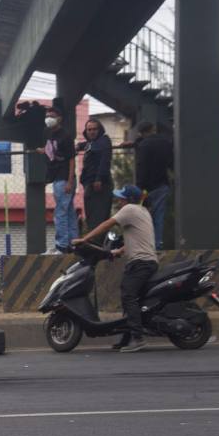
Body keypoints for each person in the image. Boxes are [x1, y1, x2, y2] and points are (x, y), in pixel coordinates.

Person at [73, 184, 158, 353]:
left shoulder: (130, 210)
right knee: (132, 299)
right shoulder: (143, 212)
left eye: (121, 198)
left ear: (128, 200)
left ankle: (138, 338)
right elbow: (139, 238)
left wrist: (85, 239)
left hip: (140, 263)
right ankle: (127, 338)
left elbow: (106, 225)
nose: (118, 200)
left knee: (128, 295)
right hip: (147, 261)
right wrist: (119, 251)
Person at [38, 107, 77, 254]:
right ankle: (74, 243)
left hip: (64, 178)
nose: (48, 118)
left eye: (52, 116)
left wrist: (69, 180)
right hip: (58, 177)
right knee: (69, 212)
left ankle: (62, 245)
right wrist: (43, 150)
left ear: (59, 118)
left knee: (60, 212)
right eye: (47, 116)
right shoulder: (50, 134)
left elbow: (72, 158)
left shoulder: (65, 136)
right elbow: (53, 150)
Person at [133, 121, 173, 250]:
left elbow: (142, 167)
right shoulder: (166, 142)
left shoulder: (144, 145)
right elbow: (171, 163)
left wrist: (139, 186)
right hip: (162, 184)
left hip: (147, 188)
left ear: (141, 132)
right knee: (158, 216)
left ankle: (146, 245)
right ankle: (157, 244)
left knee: (144, 217)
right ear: (153, 129)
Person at [78, 118, 114, 244]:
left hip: (100, 184)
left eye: (94, 129)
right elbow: (86, 145)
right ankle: (94, 242)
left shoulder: (104, 141)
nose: (92, 132)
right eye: (89, 129)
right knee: (91, 216)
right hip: (89, 184)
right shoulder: (90, 143)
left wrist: (99, 179)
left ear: (99, 130)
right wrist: (78, 146)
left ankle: (97, 243)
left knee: (100, 216)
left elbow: (105, 161)